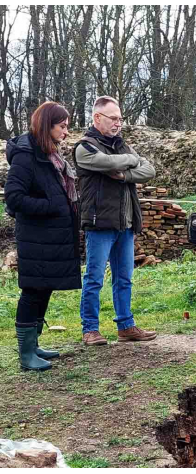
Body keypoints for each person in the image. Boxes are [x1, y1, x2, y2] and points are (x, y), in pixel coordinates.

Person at [74, 96, 157, 345]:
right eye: (114, 118)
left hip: (126, 223)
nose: (118, 123)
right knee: (94, 278)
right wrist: (132, 162)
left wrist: (122, 174)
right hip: (100, 224)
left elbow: (149, 170)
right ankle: (90, 329)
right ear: (98, 118)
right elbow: (103, 162)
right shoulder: (85, 146)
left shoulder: (122, 144)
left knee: (124, 278)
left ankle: (126, 326)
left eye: (120, 119)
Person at [5, 102, 79, 370]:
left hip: (51, 238)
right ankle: (25, 355)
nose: (66, 132)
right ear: (46, 126)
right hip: (35, 237)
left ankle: (33, 345)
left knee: (44, 288)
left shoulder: (49, 155)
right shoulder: (27, 156)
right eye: (62, 126)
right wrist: (50, 206)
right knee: (33, 291)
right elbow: (13, 197)